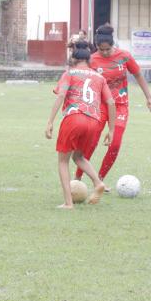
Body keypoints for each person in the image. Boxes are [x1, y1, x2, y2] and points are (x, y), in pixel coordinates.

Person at [76, 25, 151, 183]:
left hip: (120, 105)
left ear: (112, 44)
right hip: (99, 106)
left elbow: (138, 75)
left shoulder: (124, 56)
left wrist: (149, 98)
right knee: (90, 143)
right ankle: (77, 178)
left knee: (115, 144)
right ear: (97, 47)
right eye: (101, 49)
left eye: (108, 49)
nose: (105, 52)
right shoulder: (92, 60)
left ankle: (99, 179)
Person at [45, 40, 116, 209]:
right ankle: (98, 182)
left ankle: (68, 203)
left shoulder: (69, 73)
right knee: (79, 156)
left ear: (73, 60)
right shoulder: (99, 77)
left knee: (63, 161)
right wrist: (111, 130)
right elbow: (111, 102)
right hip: (94, 121)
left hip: (74, 118)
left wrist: (50, 121)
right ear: (89, 61)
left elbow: (61, 95)